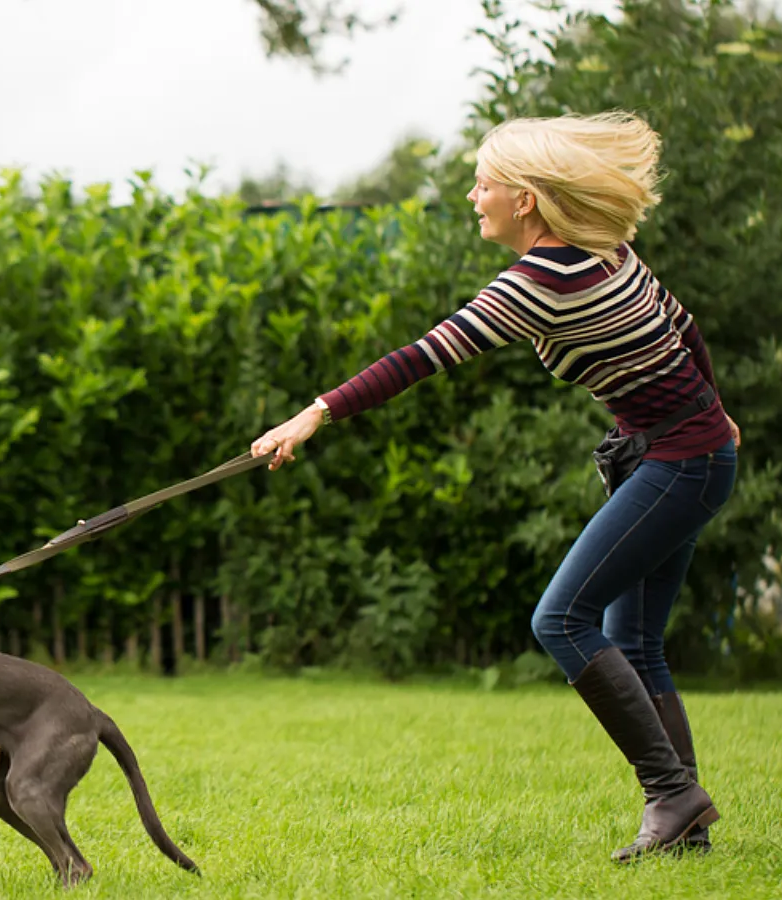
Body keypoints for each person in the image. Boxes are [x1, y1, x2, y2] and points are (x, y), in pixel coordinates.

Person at [250, 111, 739, 861]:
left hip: (679, 460)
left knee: (561, 619)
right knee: (631, 639)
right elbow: (686, 326)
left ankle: (671, 795)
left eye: (485, 184)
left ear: (526, 201)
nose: (473, 195)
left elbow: (422, 356)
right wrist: (719, 410)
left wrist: (315, 413)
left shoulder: (540, 282)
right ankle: (685, 824)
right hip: (681, 454)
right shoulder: (605, 253)